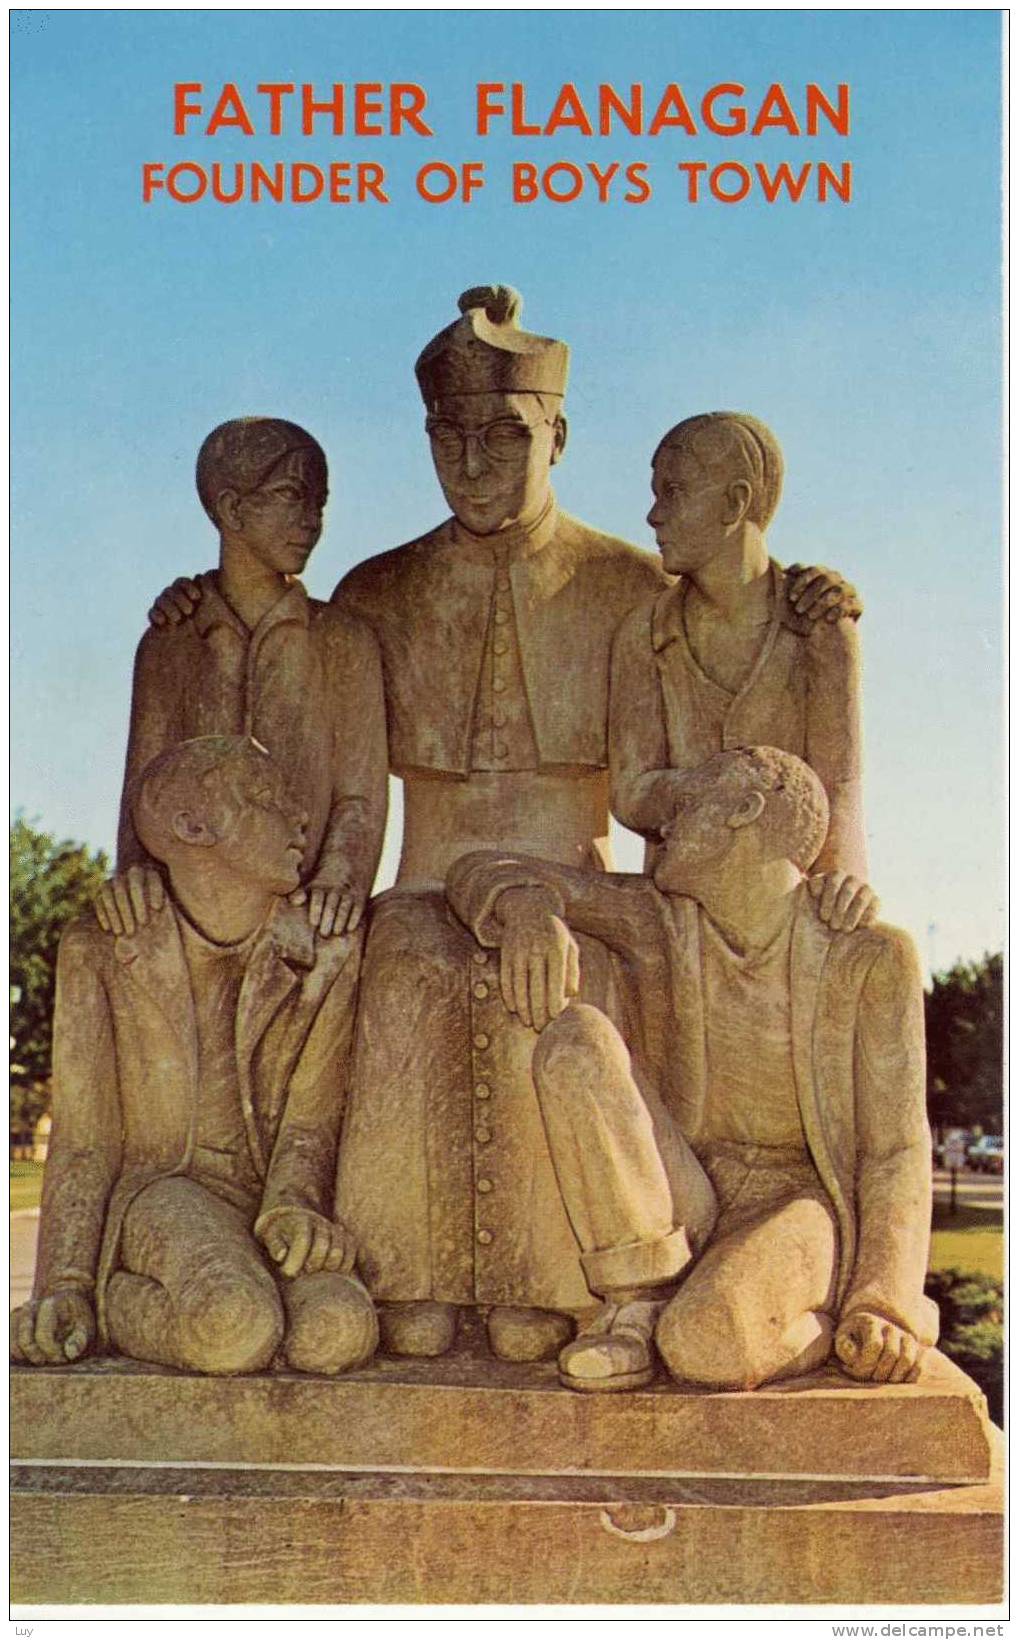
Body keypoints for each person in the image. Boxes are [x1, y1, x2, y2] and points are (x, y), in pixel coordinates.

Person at [143, 292, 859, 1362]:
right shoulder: (374, 591)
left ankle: (557, 1288)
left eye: (506, 435)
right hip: (425, 882)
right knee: (401, 975)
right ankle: (403, 1279)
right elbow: (300, 755)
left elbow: (719, 729)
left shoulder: (634, 586)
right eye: (450, 437)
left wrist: (802, 609)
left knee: (564, 992)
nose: (473, 462)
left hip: (573, 885)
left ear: (556, 436)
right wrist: (195, 611)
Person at [448, 746, 938, 1392]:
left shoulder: (867, 954)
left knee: (705, 1348)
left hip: (797, 1201)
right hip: (684, 1187)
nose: (662, 828)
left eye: (685, 807)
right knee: (578, 1039)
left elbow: (895, 1148)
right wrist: (527, 911)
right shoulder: (658, 920)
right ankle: (634, 1304)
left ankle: (818, 1325)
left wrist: (882, 1303)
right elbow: (478, 867)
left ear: (744, 810)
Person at [11, 736, 378, 1377]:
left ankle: (222, 1298)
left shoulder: (327, 954)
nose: (300, 819)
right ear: (193, 825)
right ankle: (106, 1300)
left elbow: (311, 1117)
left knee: (337, 1331)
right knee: (234, 1326)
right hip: (163, 1193)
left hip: (268, 1202)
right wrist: (65, 1280)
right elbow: (86, 1135)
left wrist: (293, 1206)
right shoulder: (100, 948)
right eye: (268, 800)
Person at [98, 416, 387, 943]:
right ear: (232, 509)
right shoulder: (171, 641)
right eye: (291, 495)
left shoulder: (346, 641)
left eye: (319, 501)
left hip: (305, 912)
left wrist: (341, 878)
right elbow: (145, 783)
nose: (311, 520)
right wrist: (135, 870)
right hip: (194, 908)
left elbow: (359, 795)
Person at [611, 412, 873, 929]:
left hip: (787, 907)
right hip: (678, 905)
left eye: (673, 492)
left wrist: (846, 880)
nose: (653, 516)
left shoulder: (818, 625)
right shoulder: (643, 633)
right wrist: (714, 791)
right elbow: (630, 792)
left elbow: (840, 785)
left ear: (734, 503)